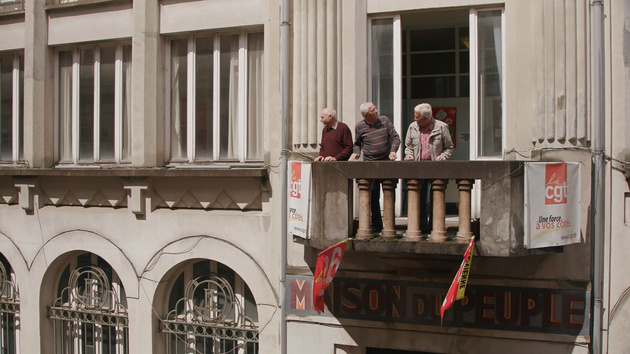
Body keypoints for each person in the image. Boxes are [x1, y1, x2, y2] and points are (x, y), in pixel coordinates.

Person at [349, 102, 401, 233]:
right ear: (366, 115)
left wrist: (393, 151)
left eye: (375, 108)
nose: (376, 110)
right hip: (370, 164)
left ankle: (390, 226)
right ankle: (378, 226)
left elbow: (395, 137)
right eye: (373, 110)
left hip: (386, 163)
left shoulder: (384, 120)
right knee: (373, 196)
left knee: (389, 194)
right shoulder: (360, 127)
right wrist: (356, 153)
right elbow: (357, 143)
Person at [404, 103, 454, 233]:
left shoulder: (442, 127)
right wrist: (409, 155)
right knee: (419, 198)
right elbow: (408, 146)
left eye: (417, 117)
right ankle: (421, 226)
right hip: (418, 168)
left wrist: (443, 156)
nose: (414, 119)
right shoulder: (412, 127)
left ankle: (434, 226)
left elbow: (449, 147)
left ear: (425, 118)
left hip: (435, 169)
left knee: (435, 197)